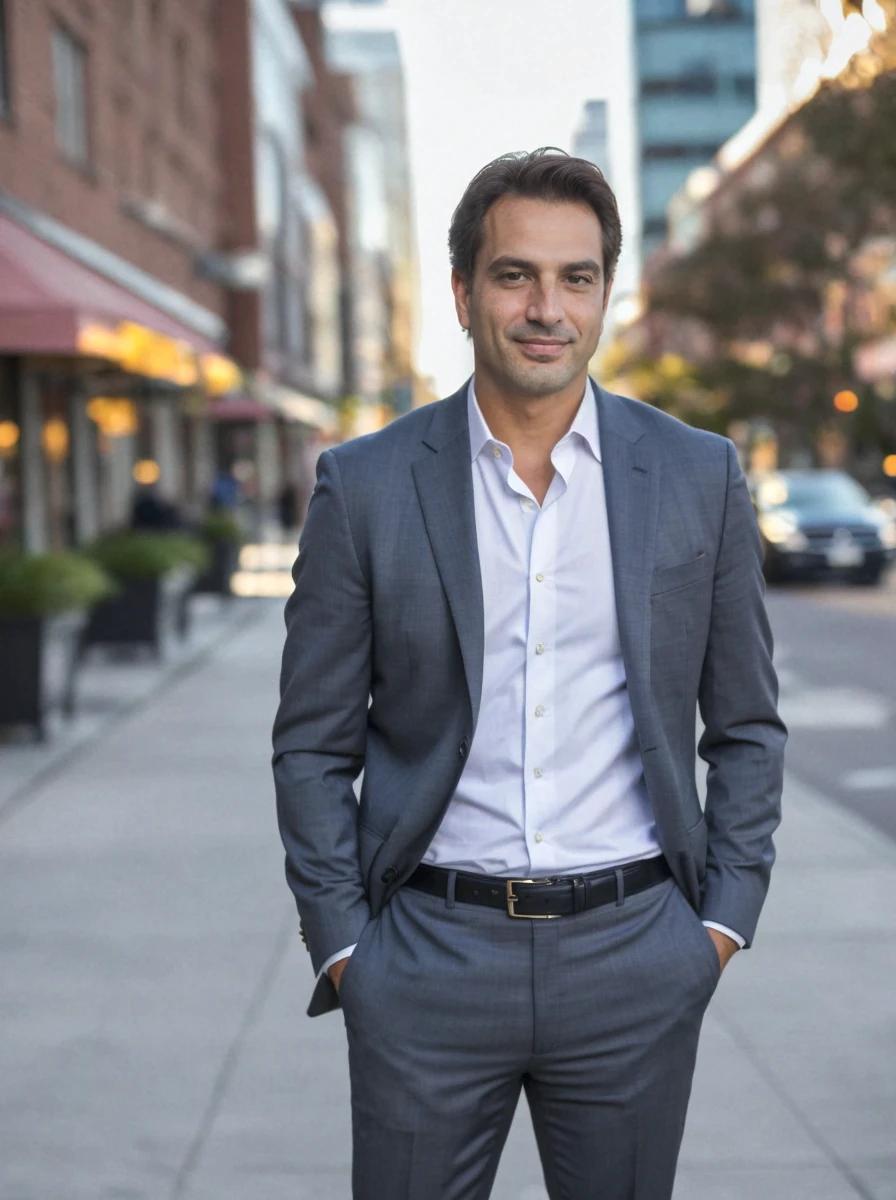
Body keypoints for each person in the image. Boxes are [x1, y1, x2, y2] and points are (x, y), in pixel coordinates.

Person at [272, 148, 786, 1200]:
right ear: (462, 293)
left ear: (604, 292)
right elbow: (312, 742)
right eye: (514, 275)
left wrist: (719, 927)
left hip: (636, 955)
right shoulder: (363, 486)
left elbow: (744, 726)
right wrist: (344, 951)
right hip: (424, 958)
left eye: (576, 277)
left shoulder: (696, 476)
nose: (545, 307)